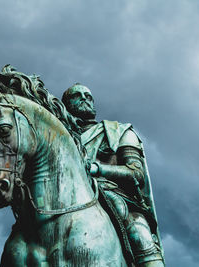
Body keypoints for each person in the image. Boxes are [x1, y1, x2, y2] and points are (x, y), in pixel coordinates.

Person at [62, 83, 165, 266]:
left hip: (115, 197)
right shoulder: (61, 137)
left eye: (88, 96)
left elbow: (136, 172)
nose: (85, 99)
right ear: (66, 104)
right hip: (67, 199)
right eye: (77, 96)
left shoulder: (119, 131)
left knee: (140, 235)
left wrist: (97, 169)